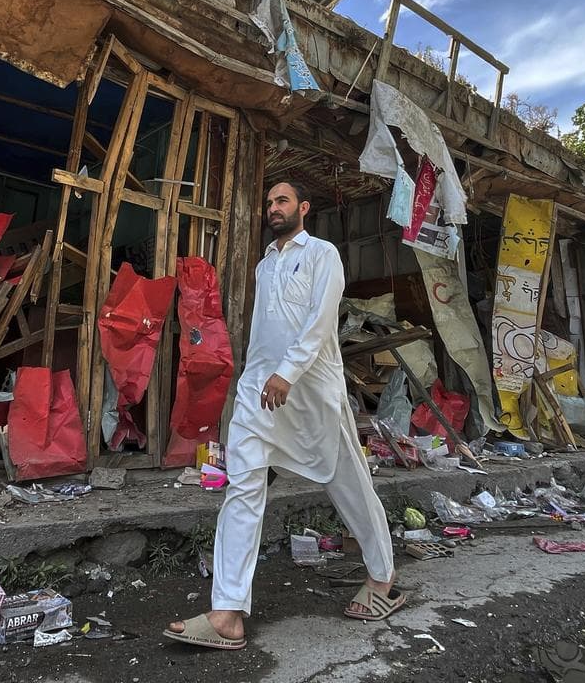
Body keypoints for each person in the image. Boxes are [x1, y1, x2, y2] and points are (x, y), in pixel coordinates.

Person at [163, 181, 405, 651]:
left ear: (303, 208)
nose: (273, 208)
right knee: (242, 487)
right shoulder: (264, 264)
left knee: (350, 485)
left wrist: (288, 373)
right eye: (269, 203)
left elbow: (319, 322)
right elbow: (265, 329)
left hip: (312, 393)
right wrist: (254, 379)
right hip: (260, 393)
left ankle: (383, 575)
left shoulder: (322, 254)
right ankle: (227, 613)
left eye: (282, 201)